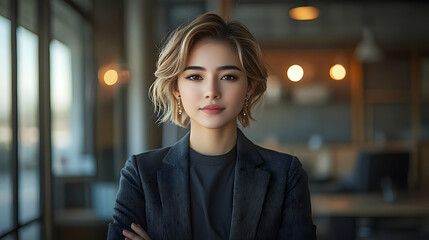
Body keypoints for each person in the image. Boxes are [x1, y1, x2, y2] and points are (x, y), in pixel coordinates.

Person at [107, 12, 316, 240]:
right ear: (176, 87)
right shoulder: (140, 173)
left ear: (250, 87)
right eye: (195, 77)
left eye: (228, 77)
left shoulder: (285, 175)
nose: (212, 92)